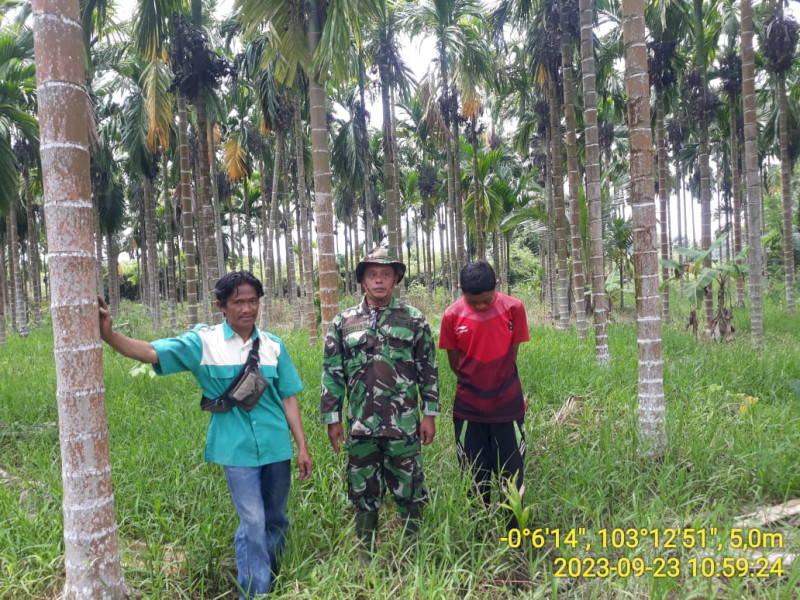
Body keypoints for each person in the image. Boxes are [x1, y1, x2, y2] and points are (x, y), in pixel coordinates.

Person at [98, 271, 312, 599]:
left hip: (276, 447)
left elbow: (289, 398)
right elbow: (151, 352)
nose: (247, 308)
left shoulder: (273, 346)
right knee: (252, 521)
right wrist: (110, 335)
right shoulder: (203, 343)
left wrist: (302, 446)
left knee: (275, 519)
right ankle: (254, 593)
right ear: (220, 306)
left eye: (252, 301)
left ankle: (271, 576)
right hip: (235, 449)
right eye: (238, 302)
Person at [321, 247, 439, 556]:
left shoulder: (414, 320)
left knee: (410, 490)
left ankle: (413, 554)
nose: (379, 281)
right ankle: (366, 558)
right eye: (372, 275)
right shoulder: (343, 322)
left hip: (404, 425)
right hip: (361, 425)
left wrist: (430, 414)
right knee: (363, 491)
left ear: (396, 279)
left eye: (385, 275)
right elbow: (332, 372)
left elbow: (428, 369)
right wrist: (331, 418)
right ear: (362, 280)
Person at [438, 261, 530, 528]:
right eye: (473, 301)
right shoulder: (451, 316)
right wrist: (476, 383)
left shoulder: (514, 309)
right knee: (473, 473)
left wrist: (498, 382)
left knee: (512, 474)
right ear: (460, 290)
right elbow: (455, 364)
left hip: (508, 406)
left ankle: (515, 534)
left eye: (486, 301)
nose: (479, 306)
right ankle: (478, 534)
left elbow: (511, 356)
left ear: (497, 287)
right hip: (468, 408)